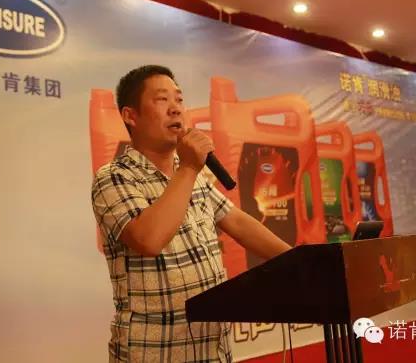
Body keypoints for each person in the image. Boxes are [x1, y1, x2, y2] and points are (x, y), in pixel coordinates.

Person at [91, 65, 292, 362]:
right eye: (162, 100)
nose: (176, 109)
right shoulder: (114, 177)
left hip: (212, 348)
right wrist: (188, 167)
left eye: (179, 99)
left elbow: (237, 221)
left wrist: (303, 262)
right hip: (154, 353)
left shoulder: (190, 175)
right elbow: (148, 239)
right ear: (130, 115)